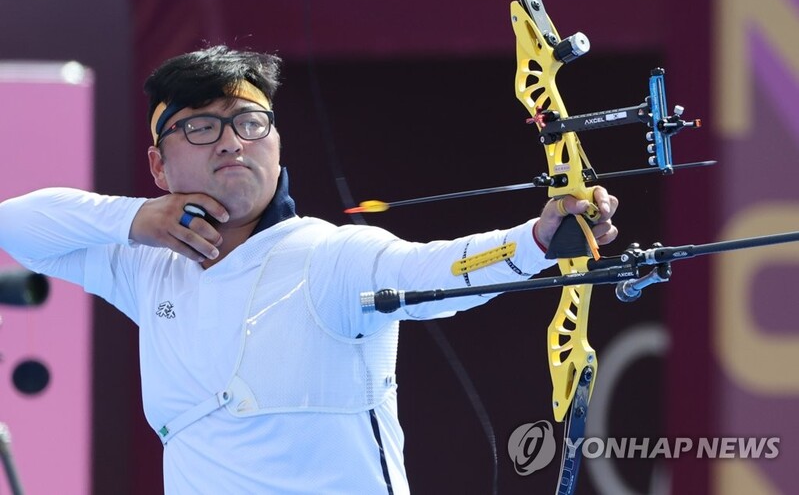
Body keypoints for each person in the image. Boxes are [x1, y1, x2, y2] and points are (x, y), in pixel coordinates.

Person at [0, 45, 618, 494]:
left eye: (250, 122)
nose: (231, 142)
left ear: (276, 143)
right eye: (200, 126)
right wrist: (141, 218)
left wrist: (538, 239)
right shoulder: (149, 270)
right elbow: (15, 225)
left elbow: (442, 272)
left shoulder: (332, 255)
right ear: (159, 167)